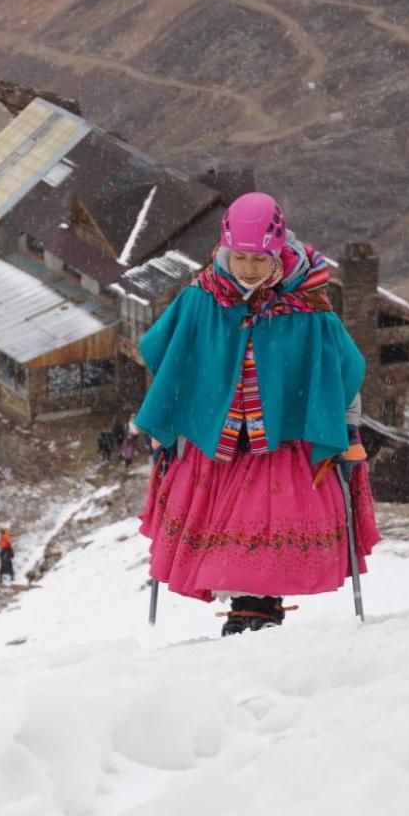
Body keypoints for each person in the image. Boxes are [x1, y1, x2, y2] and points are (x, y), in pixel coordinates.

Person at [133, 192, 378, 637]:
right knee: (221, 533)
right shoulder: (201, 299)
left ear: (278, 251)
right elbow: (171, 358)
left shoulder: (308, 308)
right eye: (240, 257)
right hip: (216, 445)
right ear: (226, 249)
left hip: (284, 445)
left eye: (259, 259)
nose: (248, 269)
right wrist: (164, 416)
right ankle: (249, 612)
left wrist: (349, 426)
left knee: (266, 531)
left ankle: (256, 612)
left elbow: (341, 372)